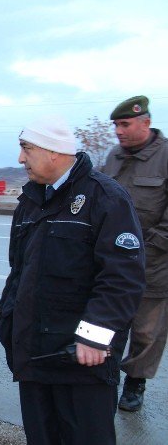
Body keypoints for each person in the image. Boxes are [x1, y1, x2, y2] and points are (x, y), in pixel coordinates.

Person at [0, 116, 145, 444]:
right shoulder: (30, 201)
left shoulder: (104, 197)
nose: (20, 159)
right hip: (34, 356)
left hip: (81, 362)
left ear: (54, 152)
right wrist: (7, 314)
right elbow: (19, 270)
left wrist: (94, 337)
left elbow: (123, 278)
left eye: (26, 149)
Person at [101, 95, 168, 412]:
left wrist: (144, 245)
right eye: (116, 125)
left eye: (125, 124)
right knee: (107, 321)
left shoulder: (166, 157)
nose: (119, 131)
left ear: (146, 122)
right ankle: (103, 377)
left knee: (146, 332)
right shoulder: (113, 156)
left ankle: (135, 383)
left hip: (154, 264)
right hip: (111, 263)